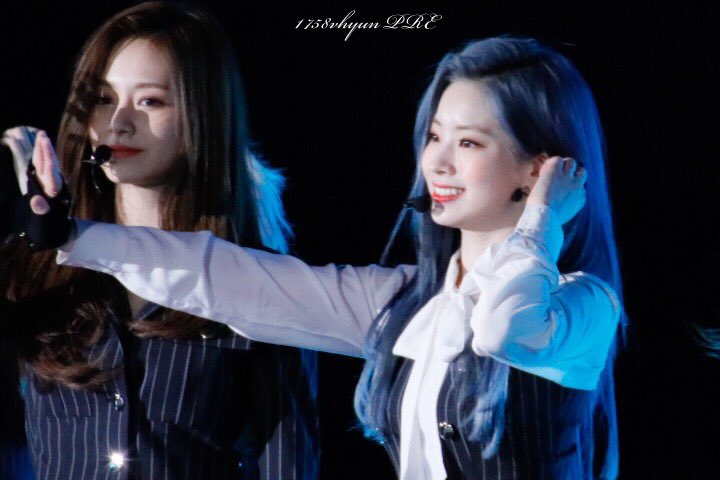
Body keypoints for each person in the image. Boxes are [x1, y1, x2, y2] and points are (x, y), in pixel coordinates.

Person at [31, 37, 624, 479]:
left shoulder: (585, 305)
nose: (437, 163)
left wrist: (541, 221)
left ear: (540, 168)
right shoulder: (406, 303)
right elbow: (224, 278)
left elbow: (502, 329)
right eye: (433, 136)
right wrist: (69, 234)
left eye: (468, 142)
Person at [0, 2, 318, 479]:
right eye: (103, 98)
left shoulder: (258, 281)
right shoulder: (30, 265)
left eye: (150, 101)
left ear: (202, 113)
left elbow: (287, 460)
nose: (118, 123)